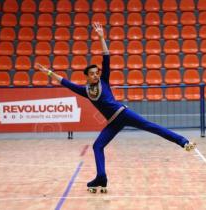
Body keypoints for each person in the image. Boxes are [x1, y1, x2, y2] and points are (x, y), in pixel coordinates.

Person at [36, 23, 196, 193]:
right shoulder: (85, 91)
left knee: (151, 126)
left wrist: (101, 37)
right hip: (113, 123)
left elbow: (107, 56)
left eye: (97, 72)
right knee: (98, 146)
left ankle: (183, 142)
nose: (96, 74)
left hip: (123, 113)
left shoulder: (104, 80)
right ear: (87, 77)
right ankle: (102, 178)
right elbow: (65, 82)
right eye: (92, 73)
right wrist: (48, 72)